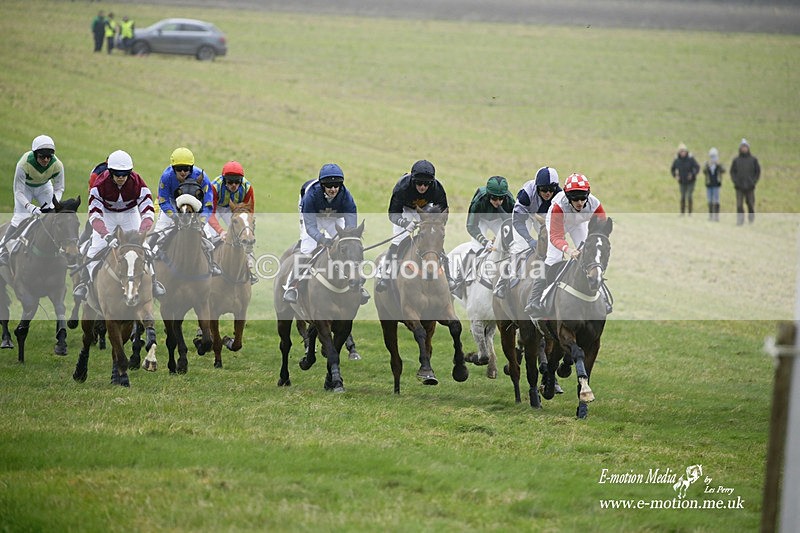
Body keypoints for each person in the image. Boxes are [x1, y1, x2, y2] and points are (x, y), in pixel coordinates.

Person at [73, 150, 165, 300]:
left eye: (124, 174)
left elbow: (147, 209)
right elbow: (95, 215)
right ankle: (84, 283)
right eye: (117, 174)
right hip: (107, 214)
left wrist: (142, 231)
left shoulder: (137, 182)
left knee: (145, 248)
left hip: (130, 213)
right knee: (94, 249)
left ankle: (154, 282)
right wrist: (107, 236)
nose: (121, 178)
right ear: (110, 172)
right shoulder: (99, 185)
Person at [524, 173, 608, 317]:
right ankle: (535, 300)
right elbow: (556, 237)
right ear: (568, 197)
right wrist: (569, 250)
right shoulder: (558, 207)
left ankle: (603, 295)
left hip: (579, 223)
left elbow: (601, 230)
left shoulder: (595, 204)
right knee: (553, 257)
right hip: (558, 223)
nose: (580, 202)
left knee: (590, 257)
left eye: (583, 198)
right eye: (575, 199)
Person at [283, 163, 368, 304]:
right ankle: (293, 286)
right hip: (313, 218)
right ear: (323, 186)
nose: (333, 189)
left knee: (348, 246)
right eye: (329, 186)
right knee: (307, 249)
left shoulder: (346, 196)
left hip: (333, 218)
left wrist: (347, 240)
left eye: (336, 186)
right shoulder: (310, 196)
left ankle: (357, 284)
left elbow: (350, 225)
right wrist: (322, 239)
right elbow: (310, 227)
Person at [375, 159, 455, 293]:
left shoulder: (437, 188)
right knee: (398, 240)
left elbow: (443, 213)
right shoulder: (402, 187)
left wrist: (434, 226)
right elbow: (393, 213)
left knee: (433, 239)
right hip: (405, 210)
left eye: (426, 184)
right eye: (419, 183)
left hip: (426, 210)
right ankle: (386, 274)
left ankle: (448, 276)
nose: (422, 187)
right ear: (413, 180)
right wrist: (405, 223)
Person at [150, 147, 220, 276]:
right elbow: (163, 201)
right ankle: (148, 264)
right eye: (179, 168)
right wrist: (175, 217)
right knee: (158, 232)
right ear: (173, 167)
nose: (183, 172)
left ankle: (212, 264)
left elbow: (208, 204)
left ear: (192, 168)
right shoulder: (166, 177)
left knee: (209, 235)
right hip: (172, 204)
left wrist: (202, 220)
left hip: (195, 208)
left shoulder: (202, 178)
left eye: (187, 169)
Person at [495, 166, 561, 299]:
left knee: (551, 246)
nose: (548, 193)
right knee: (520, 247)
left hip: (543, 215)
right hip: (523, 215)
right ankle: (503, 282)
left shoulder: (560, 195)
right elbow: (518, 221)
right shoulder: (525, 194)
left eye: (551, 190)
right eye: (543, 190)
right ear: (537, 188)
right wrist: (529, 239)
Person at [0, 135, 65, 266]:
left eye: (49, 157)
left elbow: (59, 188)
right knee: (20, 218)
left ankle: (58, 249)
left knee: (53, 216)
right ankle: (3, 250)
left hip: (45, 187)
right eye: (42, 157)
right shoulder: (23, 164)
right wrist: (30, 207)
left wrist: (54, 203)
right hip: (25, 189)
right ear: (35, 154)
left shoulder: (57, 165)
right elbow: (18, 192)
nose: (46, 160)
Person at [206, 160, 258, 284]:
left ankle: (248, 264)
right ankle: (207, 265)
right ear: (224, 180)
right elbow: (209, 214)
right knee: (208, 234)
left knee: (243, 230)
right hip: (214, 209)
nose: (234, 185)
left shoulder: (248, 188)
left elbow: (249, 214)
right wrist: (221, 231)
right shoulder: (214, 187)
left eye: (237, 182)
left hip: (232, 209)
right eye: (230, 182)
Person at [730, 138, 760, 225]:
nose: (744, 148)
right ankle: (740, 221)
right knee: (739, 205)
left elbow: (757, 172)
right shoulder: (736, 160)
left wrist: (753, 182)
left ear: (748, 148)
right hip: (739, 187)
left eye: (745, 147)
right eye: (742, 147)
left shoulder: (753, 160)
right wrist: (735, 181)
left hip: (750, 186)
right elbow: (732, 172)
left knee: (750, 204)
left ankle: (751, 219)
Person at [671, 143, 700, 216]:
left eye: (684, 151)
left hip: (691, 181)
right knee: (682, 196)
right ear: (679, 152)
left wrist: (692, 174)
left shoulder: (691, 158)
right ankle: (682, 213)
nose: (683, 152)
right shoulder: (677, 160)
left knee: (689, 195)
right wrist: (675, 176)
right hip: (682, 181)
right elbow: (672, 169)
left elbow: (697, 167)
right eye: (681, 151)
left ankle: (690, 213)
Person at [703, 148, 725, 222]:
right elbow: (704, 172)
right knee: (710, 200)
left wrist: (718, 165)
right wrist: (706, 166)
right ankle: (710, 216)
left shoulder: (718, 166)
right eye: (711, 157)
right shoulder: (708, 165)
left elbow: (723, 171)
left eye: (714, 156)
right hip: (709, 185)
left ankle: (716, 216)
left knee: (716, 200)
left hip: (716, 185)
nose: (713, 158)